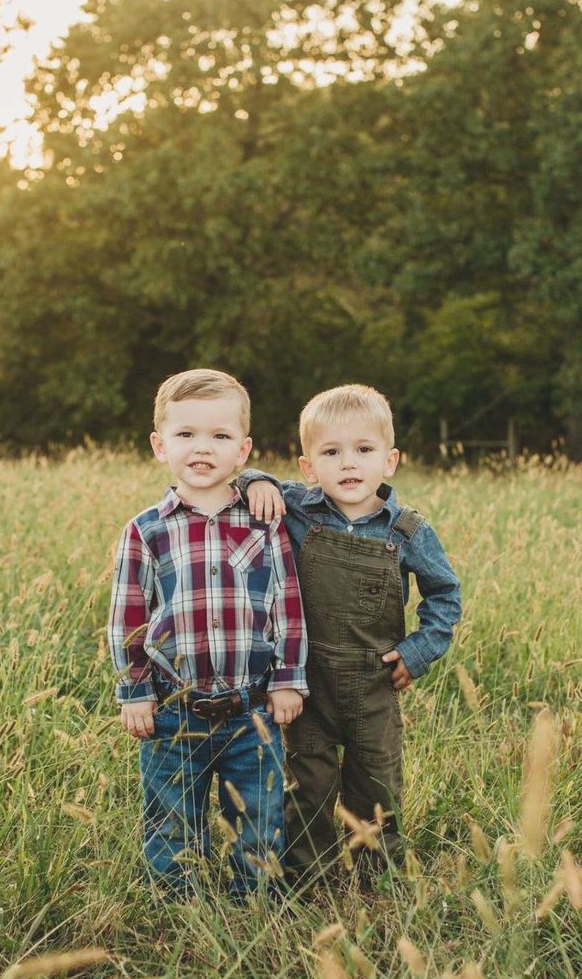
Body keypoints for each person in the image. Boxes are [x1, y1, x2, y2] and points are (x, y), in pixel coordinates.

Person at [235, 384, 461, 887]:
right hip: (307, 683)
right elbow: (248, 476)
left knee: (375, 785)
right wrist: (255, 482)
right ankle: (305, 878)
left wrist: (419, 650)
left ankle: (377, 879)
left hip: (374, 683)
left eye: (364, 450)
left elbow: (445, 596)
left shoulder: (406, 530)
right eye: (331, 452)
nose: (348, 463)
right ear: (309, 466)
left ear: (391, 460)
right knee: (307, 785)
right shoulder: (297, 508)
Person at [107, 368, 308, 899]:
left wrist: (288, 678)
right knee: (172, 820)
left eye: (220, 437)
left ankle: (254, 904)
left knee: (260, 819)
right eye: (186, 435)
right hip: (174, 709)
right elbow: (129, 618)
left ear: (242, 450)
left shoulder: (265, 520)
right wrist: (135, 691)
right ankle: (179, 910)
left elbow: (287, 605)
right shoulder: (145, 529)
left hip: (253, 709)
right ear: (159, 445)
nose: (203, 448)